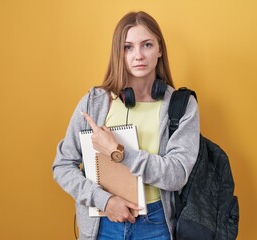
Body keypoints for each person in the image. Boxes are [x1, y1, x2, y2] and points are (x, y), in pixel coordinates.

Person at [52, 11, 200, 240]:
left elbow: (177, 175)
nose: (138, 55)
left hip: (156, 223)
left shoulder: (181, 106)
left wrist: (120, 153)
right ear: (117, 53)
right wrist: (105, 200)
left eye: (147, 45)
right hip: (103, 224)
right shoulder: (95, 103)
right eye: (128, 47)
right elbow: (62, 166)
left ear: (159, 49)